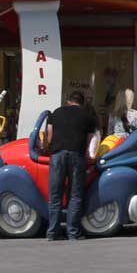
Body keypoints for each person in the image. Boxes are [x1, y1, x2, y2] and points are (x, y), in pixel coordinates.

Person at [45, 90, 97, 241]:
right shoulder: (88, 117)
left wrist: (50, 148)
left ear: (68, 101)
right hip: (76, 155)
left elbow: (49, 136)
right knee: (75, 195)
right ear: (82, 103)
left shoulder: (56, 113)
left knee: (55, 196)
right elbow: (89, 139)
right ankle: (73, 232)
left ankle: (52, 233)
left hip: (57, 155)